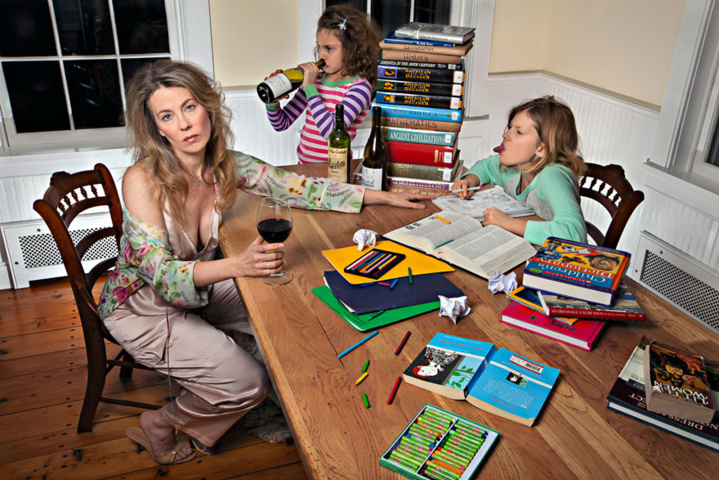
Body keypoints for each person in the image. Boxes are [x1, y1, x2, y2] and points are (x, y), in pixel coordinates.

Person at [98, 59, 429, 465]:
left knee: (282, 314)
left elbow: (299, 188)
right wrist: (239, 265)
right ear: (157, 129)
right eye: (167, 115)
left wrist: (381, 196)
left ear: (207, 106)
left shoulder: (225, 164)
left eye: (189, 107)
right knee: (249, 381)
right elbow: (164, 277)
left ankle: (255, 396)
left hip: (198, 290)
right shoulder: (142, 179)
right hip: (142, 307)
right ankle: (163, 422)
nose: (184, 124)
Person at [452, 96, 588, 245]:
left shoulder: (553, 175)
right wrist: (469, 181)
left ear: (541, 148)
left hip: (558, 261)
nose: (505, 135)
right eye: (510, 127)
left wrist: (507, 223)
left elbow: (574, 234)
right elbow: (486, 167)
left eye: (519, 132)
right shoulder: (516, 168)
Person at [264, 4, 380, 164]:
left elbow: (331, 131)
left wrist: (311, 88)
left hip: (336, 171)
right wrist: (272, 101)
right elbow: (281, 123)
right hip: (304, 168)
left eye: (329, 48)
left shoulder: (360, 88)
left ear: (352, 49)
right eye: (319, 46)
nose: (321, 55)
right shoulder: (316, 80)